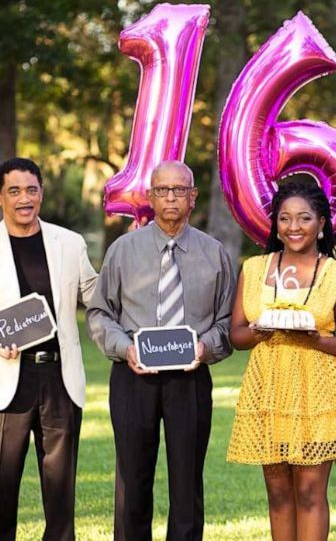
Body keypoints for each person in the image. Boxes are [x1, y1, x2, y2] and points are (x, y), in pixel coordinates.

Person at [0, 157, 99, 540]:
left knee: (61, 496)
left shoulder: (70, 243)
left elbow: (96, 294)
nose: (24, 199)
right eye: (14, 191)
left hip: (60, 380)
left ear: (41, 193)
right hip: (3, 380)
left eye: (31, 190)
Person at [86, 160, 235, 541]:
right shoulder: (123, 250)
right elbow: (101, 313)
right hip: (133, 377)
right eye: (163, 190)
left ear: (193, 197)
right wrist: (124, 348)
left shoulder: (214, 253)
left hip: (191, 380)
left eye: (179, 190)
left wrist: (206, 347)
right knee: (132, 480)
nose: (171, 197)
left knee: (187, 481)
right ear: (150, 196)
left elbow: (228, 322)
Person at [227, 181, 336, 541]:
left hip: (318, 392)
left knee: (309, 491)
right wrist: (261, 330)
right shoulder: (255, 269)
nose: (294, 227)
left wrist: (318, 340)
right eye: (285, 218)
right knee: (278, 493)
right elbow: (237, 335)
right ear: (275, 223)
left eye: (304, 218)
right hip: (269, 393)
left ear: (321, 223)